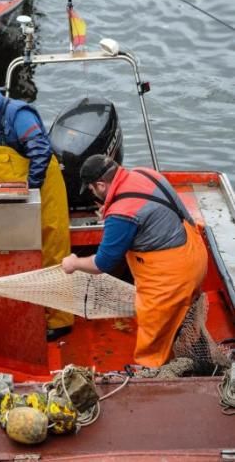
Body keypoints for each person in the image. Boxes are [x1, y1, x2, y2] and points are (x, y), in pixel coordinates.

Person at [62, 154, 208, 367]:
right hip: (195, 254)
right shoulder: (144, 173)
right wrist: (113, 212)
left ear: (101, 185)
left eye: (92, 189)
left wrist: (73, 263)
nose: (92, 193)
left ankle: (151, 380)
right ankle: (180, 347)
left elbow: (102, 264)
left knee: (152, 337)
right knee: (181, 318)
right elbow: (166, 211)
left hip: (171, 278)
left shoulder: (122, 213)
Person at [0, 73, 74, 341]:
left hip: (43, 184)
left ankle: (60, 320)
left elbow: (40, 151)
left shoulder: (18, 115)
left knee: (52, 246)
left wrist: (31, 189)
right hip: (13, 191)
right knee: (20, 248)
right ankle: (32, 308)